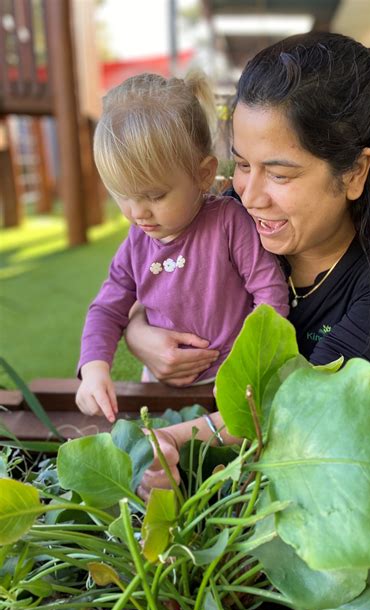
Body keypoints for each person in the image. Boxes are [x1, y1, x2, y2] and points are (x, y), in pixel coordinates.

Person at [128, 31, 370, 499]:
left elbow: (306, 404)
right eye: (242, 165)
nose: (250, 195)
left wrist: (178, 438)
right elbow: (156, 277)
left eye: (280, 174)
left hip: (322, 466)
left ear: (355, 172)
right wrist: (139, 333)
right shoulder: (230, 218)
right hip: (210, 432)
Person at [75, 72, 289, 423]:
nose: (136, 211)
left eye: (155, 196)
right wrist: (94, 368)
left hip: (227, 386)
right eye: (122, 195)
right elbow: (106, 309)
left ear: (203, 174)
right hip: (161, 384)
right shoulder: (137, 241)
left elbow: (270, 296)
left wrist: (249, 365)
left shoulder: (228, 223)